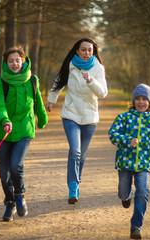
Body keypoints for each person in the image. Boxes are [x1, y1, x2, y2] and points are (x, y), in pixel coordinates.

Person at [108, 83, 150, 239]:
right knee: (123, 192)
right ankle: (126, 196)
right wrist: (126, 140)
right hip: (125, 163)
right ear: (133, 101)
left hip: (143, 165)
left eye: (144, 99)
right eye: (137, 99)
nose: (140, 102)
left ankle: (136, 226)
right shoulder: (124, 117)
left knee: (143, 193)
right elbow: (113, 134)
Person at [45, 38, 108, 204]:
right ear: (77, 51)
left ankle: (77, 182)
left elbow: (103, 93)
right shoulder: (70, 65)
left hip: (89, 116)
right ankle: (73, 188)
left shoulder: (98, 68)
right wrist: (51, 100)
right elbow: (59, 83)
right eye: (84, 50)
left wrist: (91, 81)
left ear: (93, 52)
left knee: (82, 155)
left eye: (90, 50)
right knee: (75, 150)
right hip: (71, 113)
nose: (87, 53)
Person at [0, 47, 48, 221]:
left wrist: (42, 117)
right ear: (6, 63)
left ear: (23, 61)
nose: (15, 63)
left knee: (16, 165)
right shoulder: (0, 82)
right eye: (11, 61)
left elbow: (37, 100)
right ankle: (10, 203)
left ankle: (20, 196)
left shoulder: (32, 80)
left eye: (17, 60)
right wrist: (4, 119)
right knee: (4, 173)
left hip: (24, 128)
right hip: (5, 131)